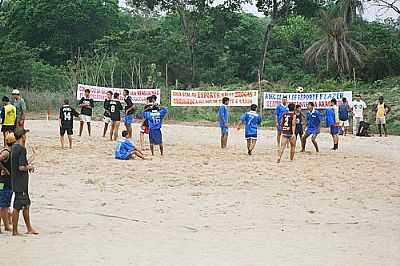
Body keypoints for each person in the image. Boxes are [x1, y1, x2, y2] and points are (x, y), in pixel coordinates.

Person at [11, 128, 38, 236]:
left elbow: (24, 163)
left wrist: (35, 155)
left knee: (26, 204)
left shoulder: (14, 147)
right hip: (20, 182)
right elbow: (22, 167)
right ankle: (15, 231)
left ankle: (29, 228)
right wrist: (30, 167)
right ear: (22, 136)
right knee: (18, 206)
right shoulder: (21, 149)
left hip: (17, 181)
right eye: (25, 135)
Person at [0, 133, 16, 233]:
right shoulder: (7, 152)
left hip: (6, 181)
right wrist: (4, 169)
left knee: (4, 203)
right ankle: (6, 226)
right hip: (4, 182)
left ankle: (6, 224)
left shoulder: (10, 151)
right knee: (4, 204)